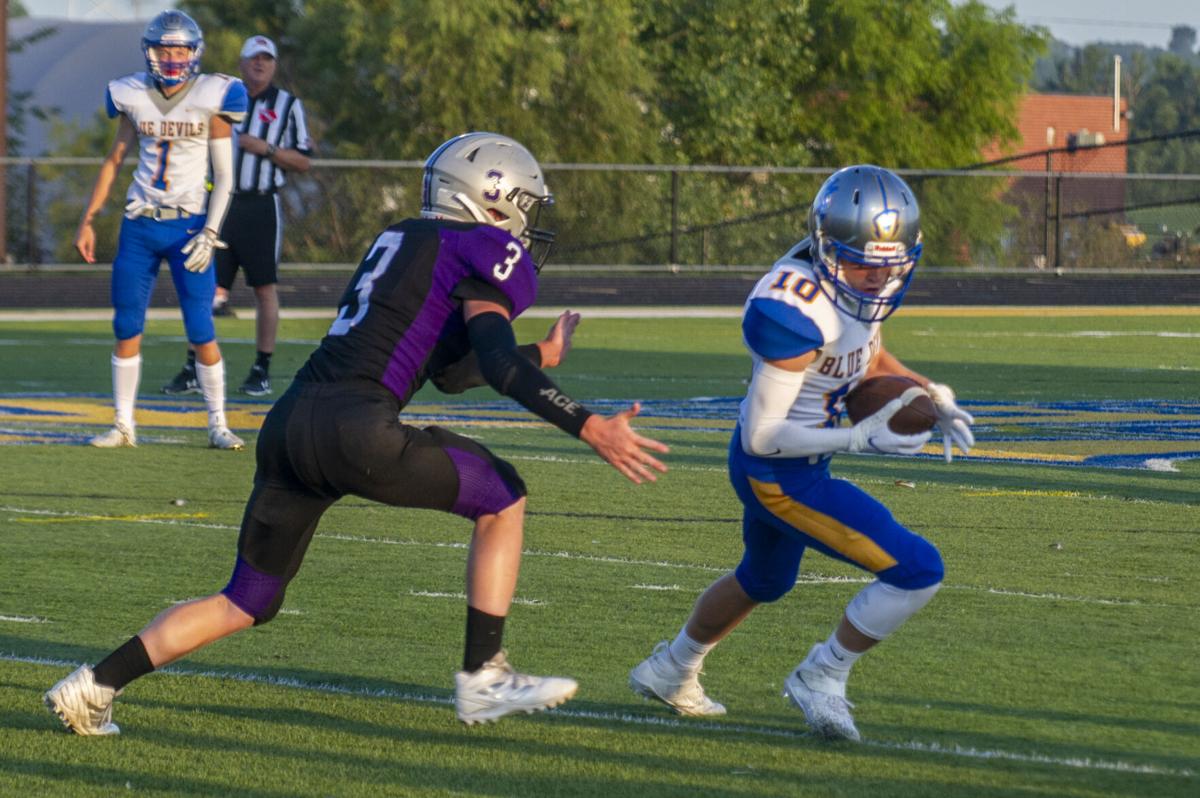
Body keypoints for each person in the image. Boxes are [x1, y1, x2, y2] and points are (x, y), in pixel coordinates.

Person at [45, 131, 671, 734]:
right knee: (502, 494)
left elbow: (452, 373)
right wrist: (588, 425)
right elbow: (498, 367)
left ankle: (94, 685)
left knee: (247, 599)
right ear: (490, 197)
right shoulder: (487, 251)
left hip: (291, 424)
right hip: (358, 428)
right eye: (522, 206)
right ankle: (484, 676)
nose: (525, 223)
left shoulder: (401, 237)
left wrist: (541, 352)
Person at [628, 165, 975, 742]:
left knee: (764, 580)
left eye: (889, 267)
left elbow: (871, 356)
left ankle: (671, 668)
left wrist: (929, 394)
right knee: (917, 571)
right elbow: (765, 434)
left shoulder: (864, 290)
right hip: (777, 471)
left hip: (798, 460)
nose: (874, 279)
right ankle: (823, 674)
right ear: (825, 248)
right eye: (862, 263)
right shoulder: (794, 306)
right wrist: (857, 438)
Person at [75, 10, 248, 450]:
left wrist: (211, 231)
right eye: (163, 49)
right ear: (149, 52)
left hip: (189, 227)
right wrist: (89, 218)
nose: (171, 58)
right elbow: (115, 160)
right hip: (140, 224)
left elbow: (226, 176)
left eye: (179, 49)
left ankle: (217, 423)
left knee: (200, 327)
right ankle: (123, 425)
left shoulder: (215, 95)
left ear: (194, 52)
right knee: (127, 323)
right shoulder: (131, 94)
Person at [163, 34, 314, 398]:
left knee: (264, 287)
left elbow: (304, 160)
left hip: (261, 205)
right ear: (242, 63)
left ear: (274, 64)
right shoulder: (221, 100)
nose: (260, 64)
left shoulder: (287, 105)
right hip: (219, 202)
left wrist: (266, 147)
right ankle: (193, 366)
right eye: (254, 58)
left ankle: (261, 368)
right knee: (205, 285)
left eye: (267, 58)